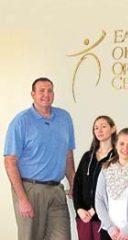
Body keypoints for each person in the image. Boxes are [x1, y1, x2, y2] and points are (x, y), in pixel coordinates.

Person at [4, 77, 75, 240]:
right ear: (33, 94)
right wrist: (22, 198)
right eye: (41, 91)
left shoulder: (64, 118)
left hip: (56, 191)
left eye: (49, 90)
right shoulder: (21, 121)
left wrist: (73, 183)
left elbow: (68, 154)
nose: (46, 94)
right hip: (30, 190)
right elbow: (10, 161)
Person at [73, 115, 117, 240]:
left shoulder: (117, 158)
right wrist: (79, 209)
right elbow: (77, 185)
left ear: (113, 129)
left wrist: (95, 210)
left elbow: (115, 190)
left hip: (105, 219)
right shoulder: (87, 157)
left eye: (103, 126)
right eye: (96, 128)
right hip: (84, 217)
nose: (99, 130)